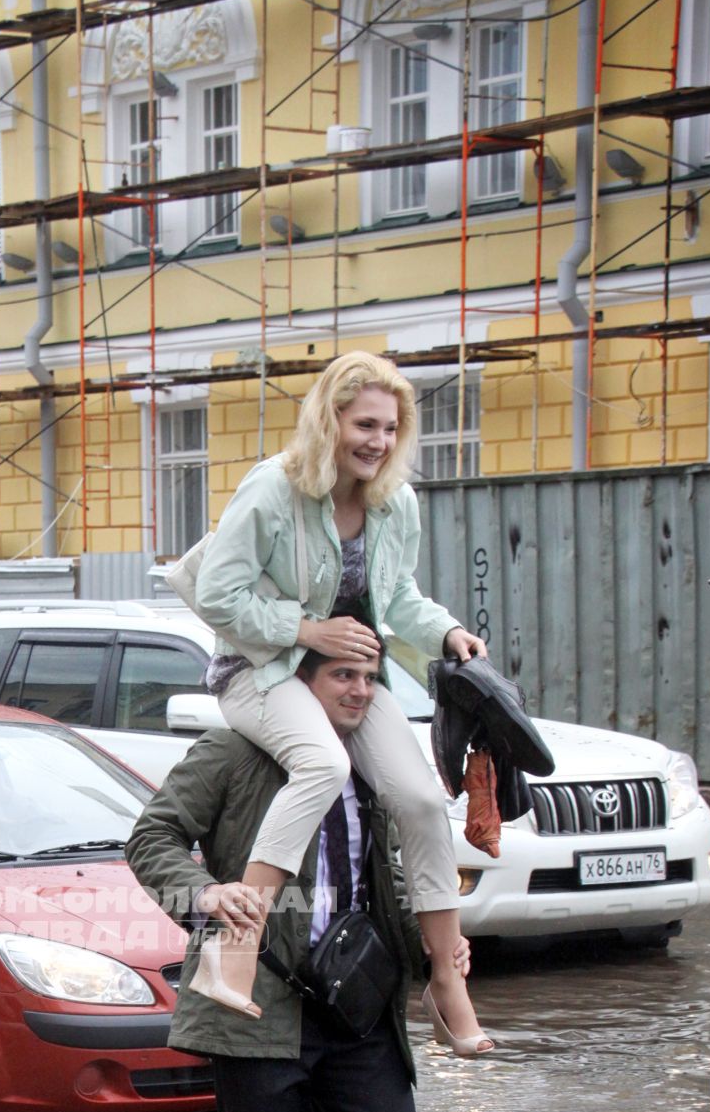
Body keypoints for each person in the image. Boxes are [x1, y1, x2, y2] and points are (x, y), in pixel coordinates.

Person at [126, 637, 441, 1112]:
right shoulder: (233, 751)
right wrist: (206, 893)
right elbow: (151, 836)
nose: (361, 691)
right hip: (256, 1008)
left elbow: (385, 877)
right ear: (297, 686)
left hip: (360, 1008)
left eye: (371, 678)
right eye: (343, 675)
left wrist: (434, 950)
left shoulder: (373, 763)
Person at [181, 350, 491, 1056]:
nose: (378, 442)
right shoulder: (273, 489)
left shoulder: (395, 502)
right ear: (330, 419)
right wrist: (304, 628)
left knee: (417, 797)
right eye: (364, 424)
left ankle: (447, 979)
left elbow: (399, 597)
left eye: (389, 428)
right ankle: (236, 944)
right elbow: (217, 597)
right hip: (258, 667)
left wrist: (445, 632)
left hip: (350, 673)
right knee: (321, 764)